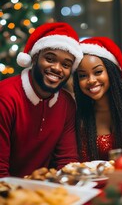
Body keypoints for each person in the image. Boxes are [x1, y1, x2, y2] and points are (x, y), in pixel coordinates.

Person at [0, 22, 83, 178]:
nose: (57, 68)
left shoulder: (67, 104)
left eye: (66, 64)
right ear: (35, 57)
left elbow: (67, 162)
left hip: (43, 190)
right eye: (50, 59)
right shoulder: (5, 96)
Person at [73, 36, 122, 162]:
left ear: (111, 72)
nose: (91, 80)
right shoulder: (81, 117)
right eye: (83, 75)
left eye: (98, 72)